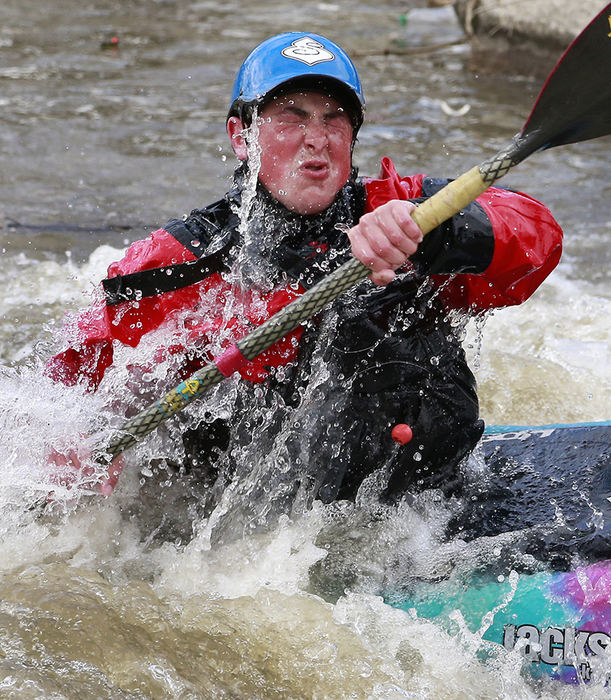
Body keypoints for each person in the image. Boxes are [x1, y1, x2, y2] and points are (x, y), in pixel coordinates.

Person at [46, 33, 562, 515]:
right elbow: (69, 374)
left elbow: (538, 241)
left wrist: (437, 237)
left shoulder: (408, 211)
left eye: (334, 120)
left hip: (429, 513)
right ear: (241, 135)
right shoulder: (184, 261)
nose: (317, 139)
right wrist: (76, 436)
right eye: (292, 118)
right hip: (272, 538)